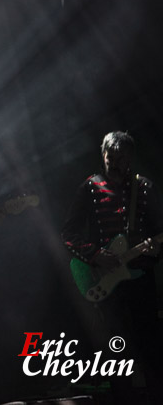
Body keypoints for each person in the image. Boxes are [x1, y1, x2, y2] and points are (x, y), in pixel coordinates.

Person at [61, 131, 163, 404]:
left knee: (149, 344)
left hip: (140, 276)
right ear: (102, 155)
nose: (115, 163)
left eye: (121, 158)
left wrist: (156, 249)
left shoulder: (145, 188)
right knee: (114, 349)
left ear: (130, 158)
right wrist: (95, 256)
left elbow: (158, 231)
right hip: (106, 280)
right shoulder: (89, 187)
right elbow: (69, 233)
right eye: (110, 157)